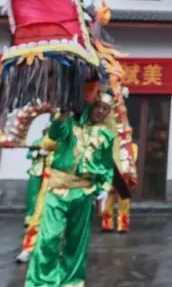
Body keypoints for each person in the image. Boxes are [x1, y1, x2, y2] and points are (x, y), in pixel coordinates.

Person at [25, 93, 115, 287]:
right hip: (58, 190)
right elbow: (54, 133)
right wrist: (63, 112)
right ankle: (42, 281)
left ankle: (72, 281)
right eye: (98, 106)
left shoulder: (106, 135)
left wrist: (105, 187)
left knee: (76, 242)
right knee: (49, 237)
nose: (100, 111)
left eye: (105, 109)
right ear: (91, 105)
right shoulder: (69, 124)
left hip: (84, 192)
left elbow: (107, 165)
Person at [16, 136, 56, 264]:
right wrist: (39, 152)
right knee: (37, 212)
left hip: (70, 183)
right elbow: (31, 154)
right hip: (47, 179)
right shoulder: (42, 141)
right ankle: (29, 248)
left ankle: (56, 249)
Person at [100, 126, 137, 233]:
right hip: (111, 177)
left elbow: (132, 160)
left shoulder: (133, 147)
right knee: (107, 203)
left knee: (124, 204)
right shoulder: (110, 145)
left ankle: (123, 226)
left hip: (123, 178)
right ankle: (107, 225)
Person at [24, 138, 48, 226]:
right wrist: (37, 153)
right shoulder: (37, 142)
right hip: (36, 172)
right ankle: (30, 217)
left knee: (47, 196)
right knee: (33, 196)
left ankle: (44, 218)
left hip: (49, 173)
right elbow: (28, 155)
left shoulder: (55, 142)